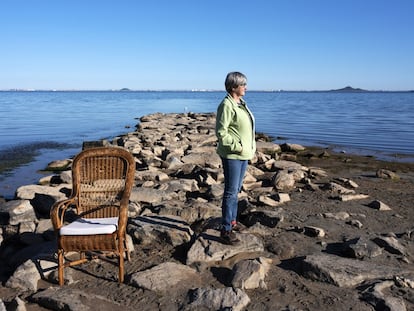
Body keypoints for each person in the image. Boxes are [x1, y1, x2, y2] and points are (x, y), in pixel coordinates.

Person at [215, 72, 256, 245]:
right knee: (231, 192)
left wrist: (249, 148)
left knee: (236, 190)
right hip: (233, 154)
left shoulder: (241, 104)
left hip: (243, 154)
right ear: (233, 87)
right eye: (243, 84)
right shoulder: (226, 105)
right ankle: (225, 230)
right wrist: (237, 146)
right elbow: (221, 132)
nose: (246, 87)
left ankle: (232, 221)